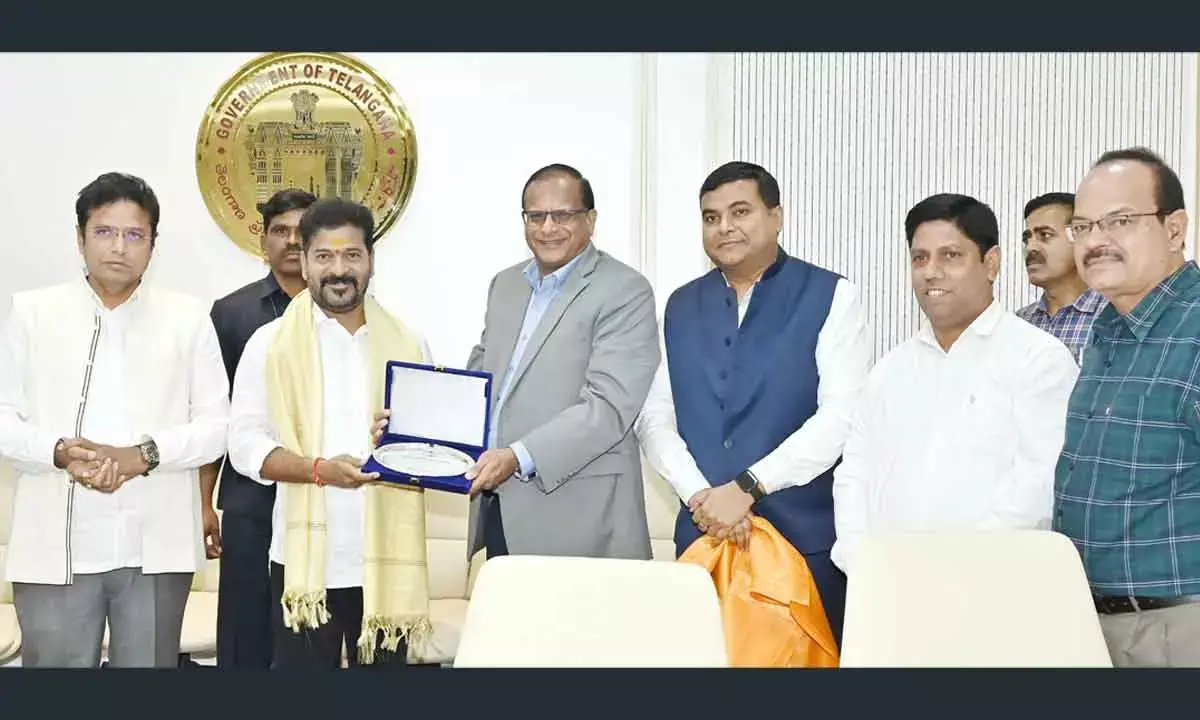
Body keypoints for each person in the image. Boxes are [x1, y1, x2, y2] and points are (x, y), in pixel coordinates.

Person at [635, 160, 871, 645]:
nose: (724, 227)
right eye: (711, 217)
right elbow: (655, 417)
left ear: (776, 216)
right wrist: (702, 497)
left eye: (740, 211)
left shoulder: (832, 296)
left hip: (802, 543)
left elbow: (842, 417)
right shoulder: (679, 305)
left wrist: (747, 487)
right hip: (703, 539)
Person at [0, 172, 230, 667]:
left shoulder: (187, 318)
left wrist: (140, 456)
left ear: (153, 244)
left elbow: (217, 427)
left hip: (157, 543)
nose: (119, 247)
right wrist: (60, 452)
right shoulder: (32, 313)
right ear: (80, 238)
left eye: (134, 234)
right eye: (104, 232)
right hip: (55, 544)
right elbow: (3, 419)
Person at [227, 197, 434, 669]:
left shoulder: (409, 343)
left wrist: (407, 446)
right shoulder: (270, 344)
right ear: (303, 262)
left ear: (371, 261)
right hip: (304, 565)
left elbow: (430, 448)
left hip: (384, 563)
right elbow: (244, 445)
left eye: (351, 255)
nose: (339, 270)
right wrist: (317, 470)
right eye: (324, 256)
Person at [831, 193, 1078, 576]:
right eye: (920, 258)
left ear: (991, 263)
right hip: (888, 586)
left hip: (994, 585)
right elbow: (854, 475)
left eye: (950, 256)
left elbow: (1038, 486)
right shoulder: (889, 370)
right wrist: (861, 562)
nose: (931, 272)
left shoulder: (1038, 360)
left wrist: (957, 571)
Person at [463, 163, 660, 560]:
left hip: (581, 517)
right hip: (502, 507)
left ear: (591, 219)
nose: (548, 227)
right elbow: (481, 379)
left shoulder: (626, 291)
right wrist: (415, 427)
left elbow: (608, 408)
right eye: (536, 216)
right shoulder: (505, 285)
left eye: (563, 215)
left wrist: (518, 456)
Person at [1054, 147, 1200, 667]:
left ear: (1174, 229)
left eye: (1119, 221)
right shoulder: (1107, 329)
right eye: (1083, 226)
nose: (1096, 240)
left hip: (1176, 627)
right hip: (1092, 622)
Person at [206, 188, 315, 669]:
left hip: (317, 495)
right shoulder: (232, 313)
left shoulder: (342, 309)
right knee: (244, 626)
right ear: (263, 239)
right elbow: (214, 415)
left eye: (302, 231)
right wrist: (204, 503)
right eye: (280, 231)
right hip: (250, 498)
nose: (292, 241)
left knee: (306, 629)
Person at [1017, 191, 1105, 362]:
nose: (1030, 247)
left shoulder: (1114, 319)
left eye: (1045, 235)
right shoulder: (1019, 323)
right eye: (1027, 239)